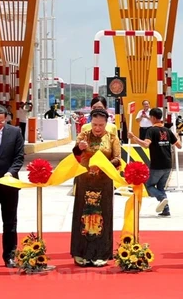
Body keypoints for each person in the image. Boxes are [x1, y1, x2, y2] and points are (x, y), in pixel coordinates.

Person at [71, 108, 121, 267]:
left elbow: (118, 159)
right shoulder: (84, 135)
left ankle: (102, 253)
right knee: (83, 215)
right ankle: (81, 253)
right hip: (85, 181)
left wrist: (102, 165)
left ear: (107, 123)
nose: (97, 128)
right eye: (94, 124)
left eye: (100, 124)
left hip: (104, 182)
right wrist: (79, 147)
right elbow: (74, 155)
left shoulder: (112, 137)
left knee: (102, 216)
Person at [128, 108, 182, 217]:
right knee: (161, 188)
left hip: (157, 164)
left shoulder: (151, 130)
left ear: (152, 117)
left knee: (149, 186)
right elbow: (179, 146)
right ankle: (166, 210)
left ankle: (162, 198)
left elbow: (146, 145)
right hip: (168, 165)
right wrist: (177, 137)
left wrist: (134, 137)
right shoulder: (167, 130)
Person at [0, 104, 24, 268]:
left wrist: (10, 173)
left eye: (0, 122)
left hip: (9, 184)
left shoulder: (15, 132)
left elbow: (18, 157)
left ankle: (9, 255)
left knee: (10, 222)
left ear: (6, 119)